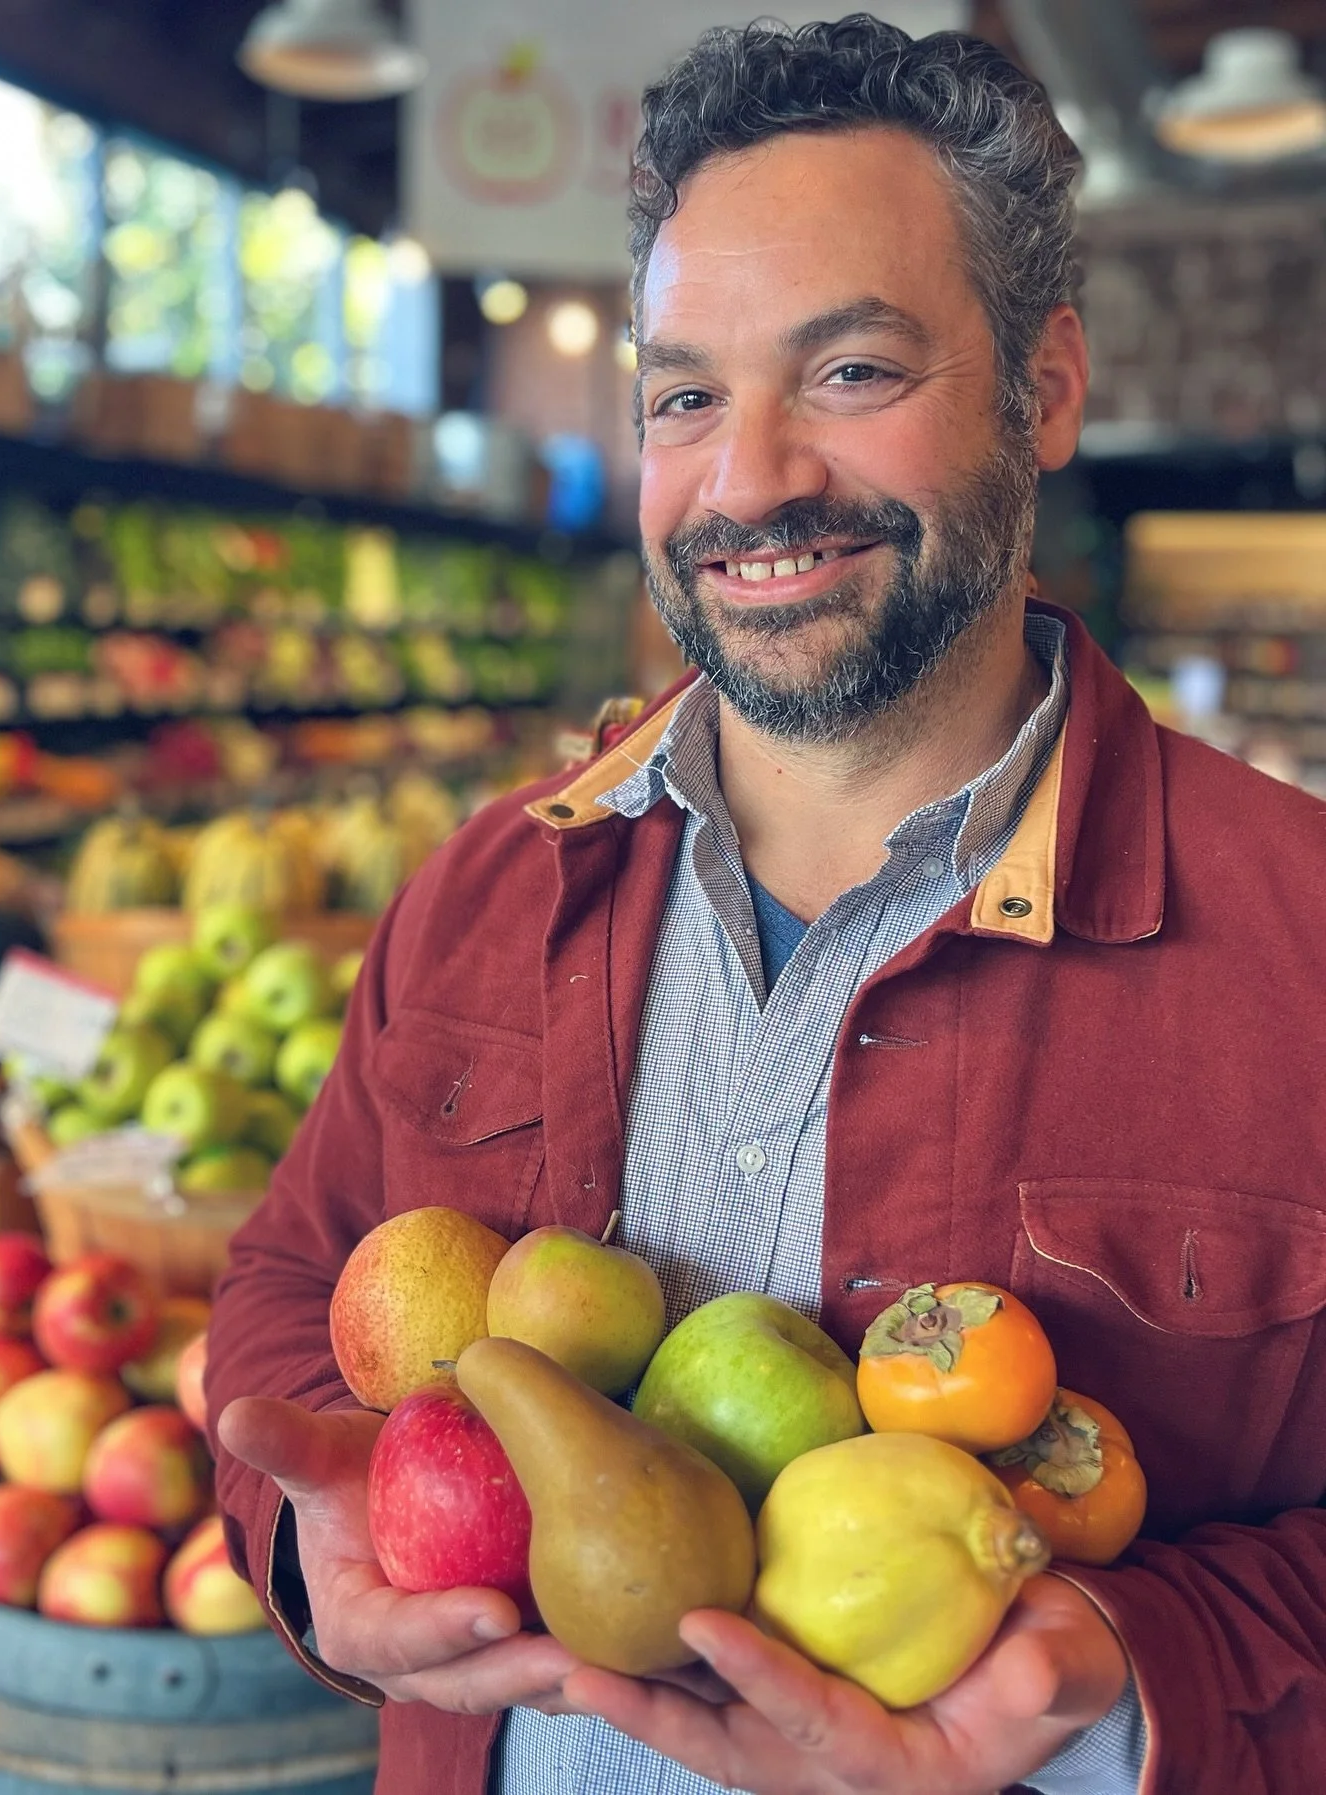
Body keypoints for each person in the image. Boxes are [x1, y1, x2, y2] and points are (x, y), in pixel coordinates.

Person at [208, 16, 1326, 1795]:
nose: (750, 480)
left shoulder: (1299, 946)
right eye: (685, 395)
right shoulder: (487, 890)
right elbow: (289, 1276)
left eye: (854, 370)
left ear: (1044, 388)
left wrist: (1130, 1665)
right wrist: (310, 1539)